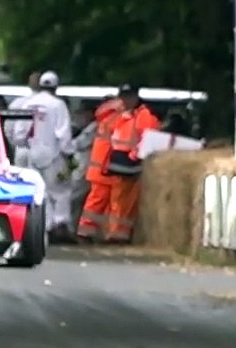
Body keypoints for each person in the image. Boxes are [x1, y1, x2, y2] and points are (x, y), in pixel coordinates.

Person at [78, 84, 159, 243]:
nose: (124, 101)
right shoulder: (122, 116)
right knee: (114, 203)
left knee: (111, 203)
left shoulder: (118, 116)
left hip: (112, 166)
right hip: (113, 166)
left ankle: (99, 233)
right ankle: (109, 234)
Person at [17, 71, 76, 240]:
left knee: (40, 192)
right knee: (61, 191)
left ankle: (44, 225)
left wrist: (29, 145)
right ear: (56, 87)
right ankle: (59, 225)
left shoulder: (28, 104)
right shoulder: (58, 105)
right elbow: (63, 134)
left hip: (33, 154)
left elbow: (19, 133)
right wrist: (69, 156)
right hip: (54, 155)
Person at [68, 101, 97, 231]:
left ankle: (71, 229)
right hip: (82, 168)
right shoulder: (87, 128)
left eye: (82, 114)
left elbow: (78, 144)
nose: (79, 117)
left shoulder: (94, 128)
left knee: (73, 199)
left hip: (86, 169)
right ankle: (73, 229)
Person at [6, 72, 42, 167]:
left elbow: (8, 129)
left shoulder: (17, 103)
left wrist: (15, 145)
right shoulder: (52, 104)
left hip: (22, 149)